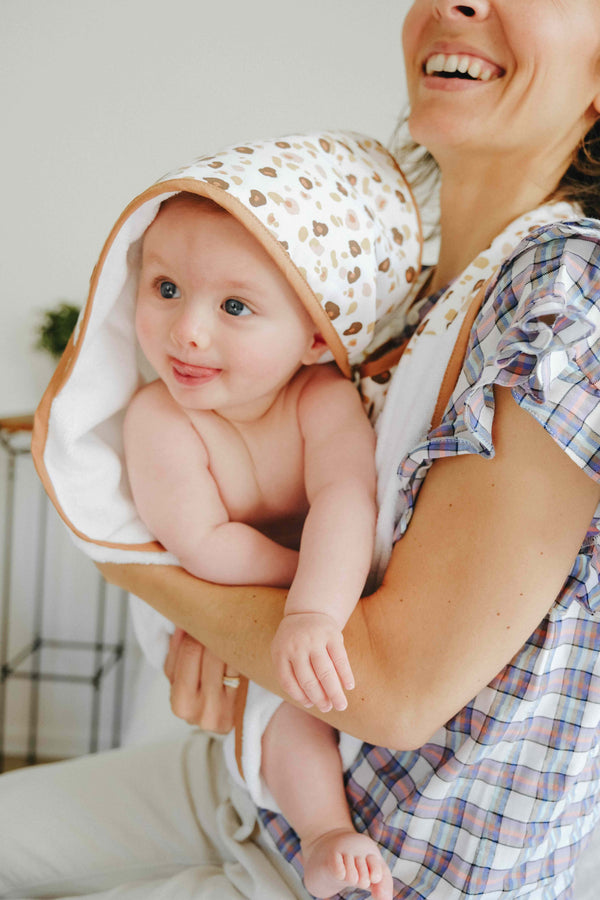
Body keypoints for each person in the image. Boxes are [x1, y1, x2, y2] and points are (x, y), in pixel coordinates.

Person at [2, 1, 600, 897]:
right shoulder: (397, 288)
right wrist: (233, 625)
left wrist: (157, 576)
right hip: (256, 782)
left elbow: (394, 690)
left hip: (385, 866)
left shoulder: (564, 292)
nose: (462, 2)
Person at [122, 190, 390, 899]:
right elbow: (207, 546)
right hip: (213, 593)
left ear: (311, 336)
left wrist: (315, 607)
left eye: (234, 307)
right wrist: (313, 590)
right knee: (283, 709)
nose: (187, 332)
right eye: (166, 288)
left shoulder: (322, 395)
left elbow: (346, 495)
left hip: (308, 575)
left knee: (319, 668)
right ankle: (325, 831)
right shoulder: (159, 418)